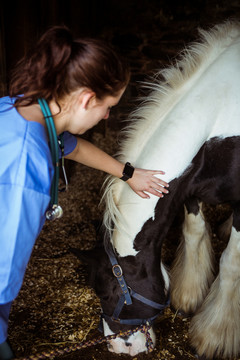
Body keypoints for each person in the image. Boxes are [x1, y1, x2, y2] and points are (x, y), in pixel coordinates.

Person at [0, 26, 169, 359]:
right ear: (86, 98)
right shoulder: (25, 168)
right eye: (108, 107)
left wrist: (129, 173)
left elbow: (71, 147)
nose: (106, 116)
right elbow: (2, 276)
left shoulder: (19, 112)